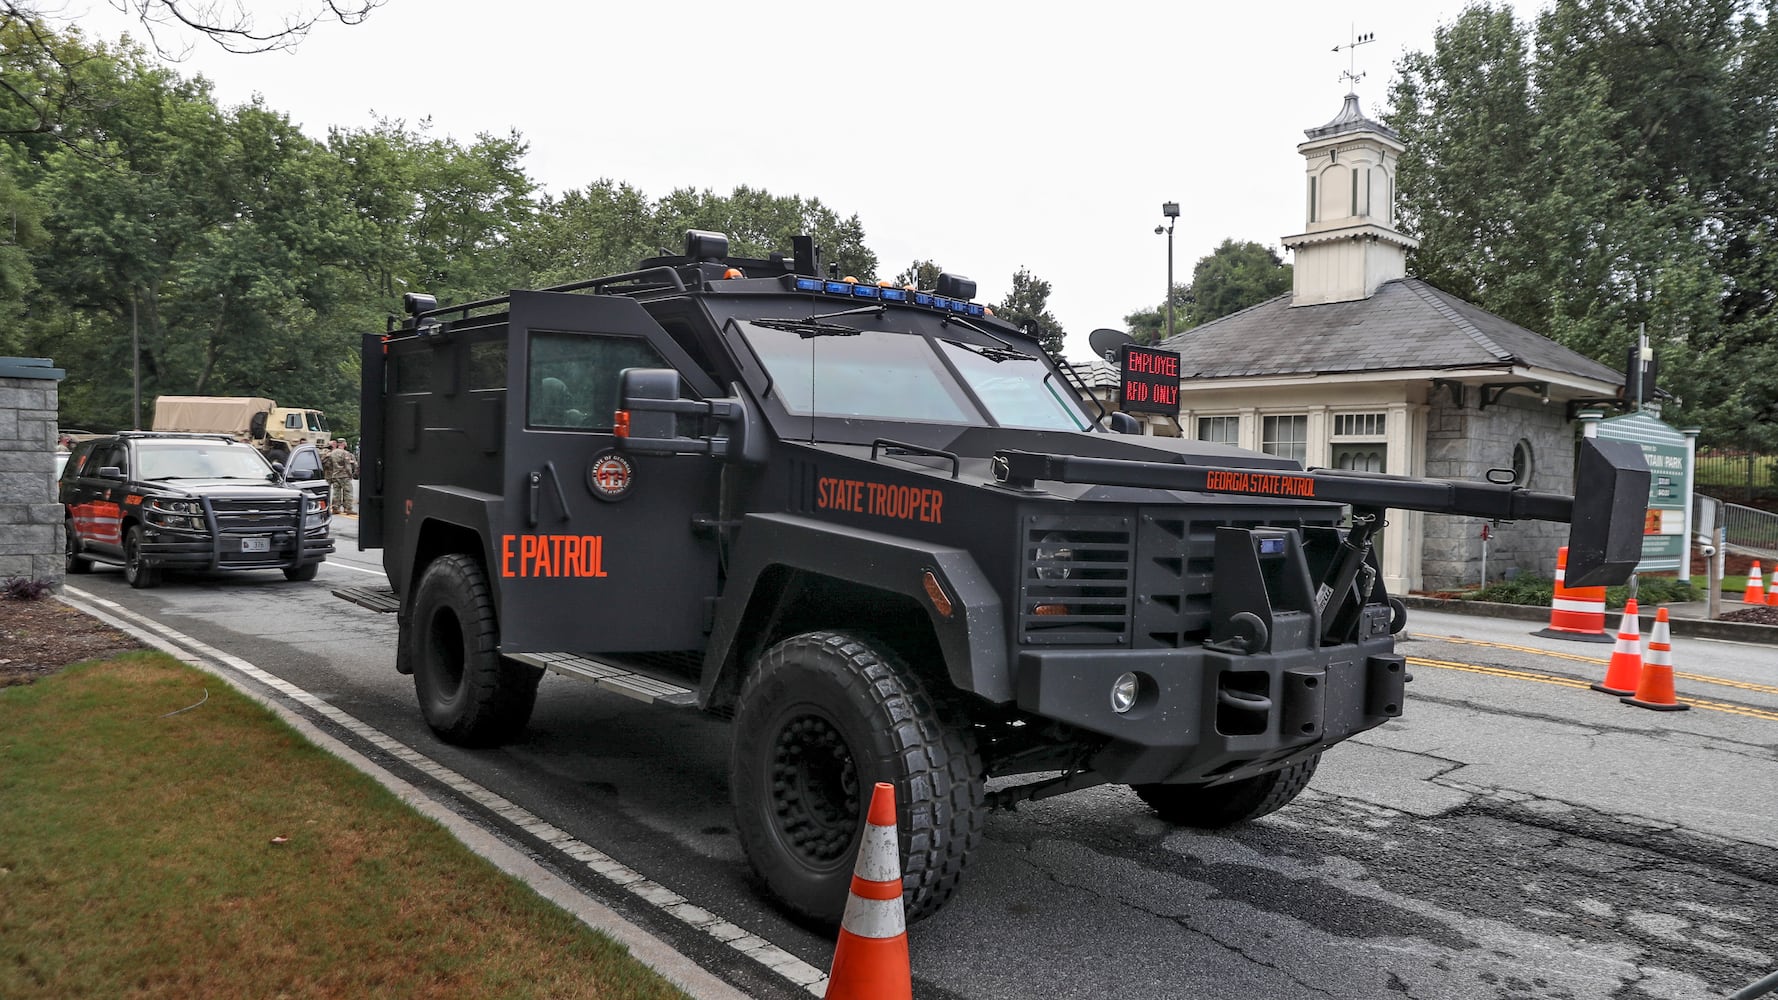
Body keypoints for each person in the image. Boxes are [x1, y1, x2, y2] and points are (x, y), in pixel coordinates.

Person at [322, 438, 356, 515]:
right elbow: (347, 465)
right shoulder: (345, 453)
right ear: (343, 443)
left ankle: (335, 508)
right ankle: (348, 508)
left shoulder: (332, 453)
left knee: (336, 492)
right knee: (348, 492)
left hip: (335, 475)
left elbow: (327, 464)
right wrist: (350, 474)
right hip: (344, 475)